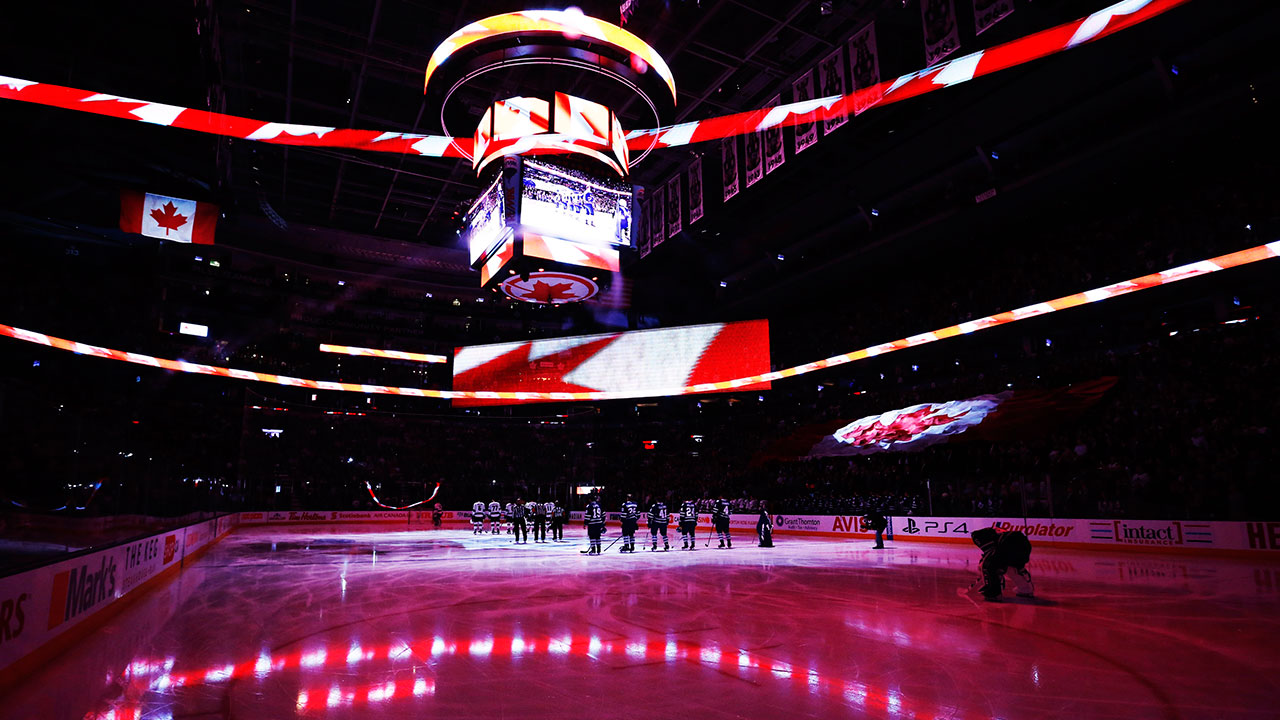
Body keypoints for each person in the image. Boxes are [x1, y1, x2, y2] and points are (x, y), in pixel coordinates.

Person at [971, 527, 1034, 602]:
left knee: (988, 566)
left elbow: (991, 556)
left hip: (1009, 545)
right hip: (1023, 545)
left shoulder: (979, 537)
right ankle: (1026, 589)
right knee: (1013, 567)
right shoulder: (996, 535)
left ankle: (994, 594)